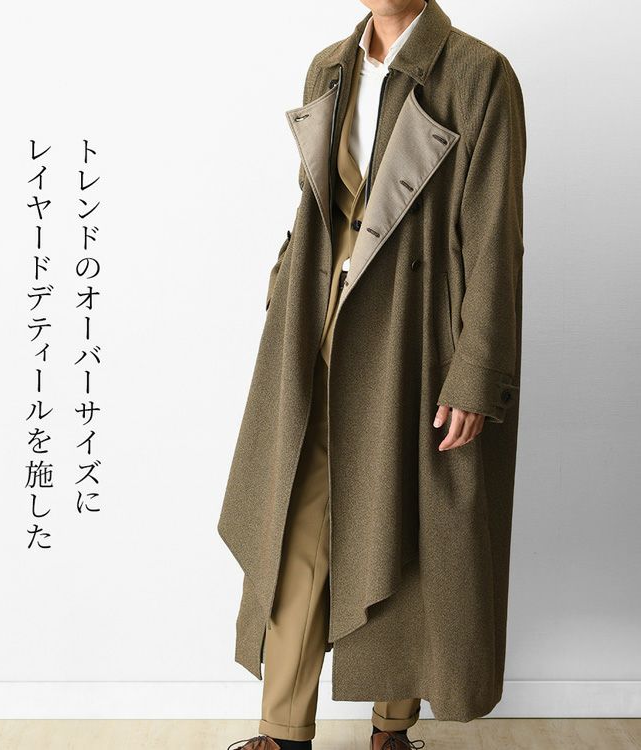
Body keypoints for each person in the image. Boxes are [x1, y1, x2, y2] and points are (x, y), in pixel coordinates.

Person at [218, 0, 527, 747]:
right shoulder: (329, 67)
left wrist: (477, 371)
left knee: (404, 518)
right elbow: (316, 201)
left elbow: (495, 234)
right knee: (296, 519)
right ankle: (282, 729)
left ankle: (392, 726)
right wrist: (283, 282)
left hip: (416, 335)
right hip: (317, 325)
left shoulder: (479, 73)